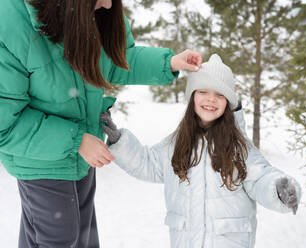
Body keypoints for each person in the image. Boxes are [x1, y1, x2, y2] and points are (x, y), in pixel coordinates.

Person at [0, 0, 202, 247]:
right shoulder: (11, 22)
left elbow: (117, 59)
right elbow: (4, 126)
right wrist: (76, 140)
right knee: (62, 237)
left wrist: (168, 63)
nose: (108, 5)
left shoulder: (91, 12)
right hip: (39, 160)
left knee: (81, 238)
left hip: (80, 157)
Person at [100, 54, 302, 248]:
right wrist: (119, 140)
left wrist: (279, 188)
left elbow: (261, 177)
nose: (211, 99)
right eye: (203, 92)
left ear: (229, 103)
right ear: (192, 97)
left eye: (219, 94)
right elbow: (148, 164)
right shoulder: (177, 143)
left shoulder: (238, 147)